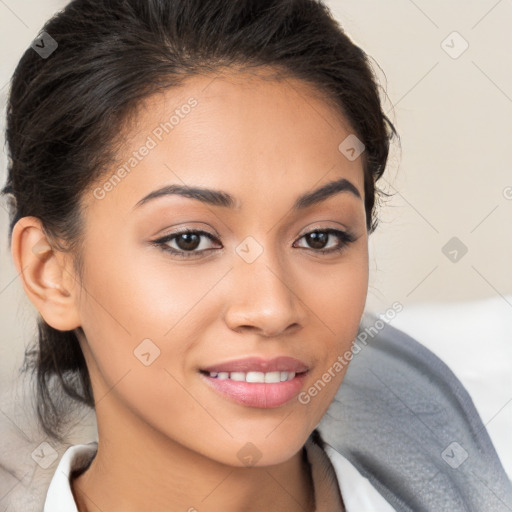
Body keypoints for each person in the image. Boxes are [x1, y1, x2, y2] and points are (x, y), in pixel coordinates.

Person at [1, 0, 511, 511]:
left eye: (319, 237)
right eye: (190, 240)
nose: (272, 309)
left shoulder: (486, 427)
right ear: (50, 272)